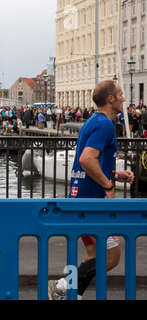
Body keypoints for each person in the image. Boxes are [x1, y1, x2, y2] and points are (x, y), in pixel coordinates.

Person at [48, 80, 135, 300]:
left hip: (81, 196)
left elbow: (86, 163)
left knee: (93, 254)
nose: (125, 99)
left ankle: (71, 295)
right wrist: (108, 185)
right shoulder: (105, 124)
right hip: (93, 201)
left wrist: (116, 175)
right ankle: (60, 286)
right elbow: (87, 160)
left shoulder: (91, 122)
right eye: (121, 95)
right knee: (112, 257)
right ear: (111, 99)